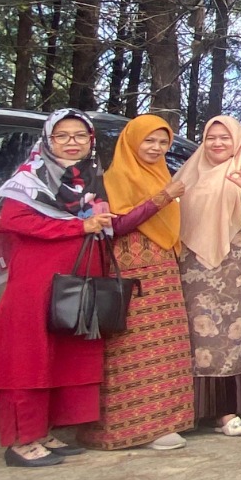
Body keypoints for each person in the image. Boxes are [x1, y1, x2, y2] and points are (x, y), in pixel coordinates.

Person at [0, 110, 167, 466]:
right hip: (37, 281)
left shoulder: (89, 181)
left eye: (80, 136)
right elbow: (11, 219)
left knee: (60, 356)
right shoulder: (29, 179)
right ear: (48, 139)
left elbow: (111, 226)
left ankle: (42, 430)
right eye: (62, 136)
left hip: (76, 280)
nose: (71, 142)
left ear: (90, 140)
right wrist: (77, 229)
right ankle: (21, 440)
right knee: (30, 358)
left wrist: (157, 201)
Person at [77, 114, 194, 452]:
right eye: (149, 141)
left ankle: (164, 423)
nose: (155, 148)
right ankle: (126, 428)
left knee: (166, 346)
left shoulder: (161, 174)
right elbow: (118, 225)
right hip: (130, 272)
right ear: (131, 142)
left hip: (163, 270)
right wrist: (163, 197)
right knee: (132, 347)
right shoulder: (115, 178)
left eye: (162, 142)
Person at [178, 116, 241, 434]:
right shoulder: (189, 172)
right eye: (211, 137)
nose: (218, 143)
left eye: (225, 137)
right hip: (190, 266)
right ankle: (190, 412)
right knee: (193, 336)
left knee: (226, 335)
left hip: (229, 267)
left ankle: (225, 412)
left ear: (236, 141)